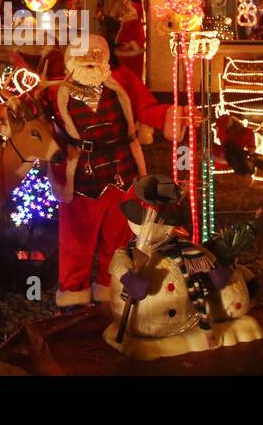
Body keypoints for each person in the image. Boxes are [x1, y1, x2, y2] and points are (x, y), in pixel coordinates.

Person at [40, 35, 176, 308]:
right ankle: (73, 296)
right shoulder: (55, 92)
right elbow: (26, 112)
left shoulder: (121, 83)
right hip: (80, 180)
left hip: (121, 173)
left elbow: (147, 107)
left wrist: (171, 117)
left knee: (117, 240)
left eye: (97, 54)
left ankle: (108, 289)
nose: (91, 60)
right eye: (85, 55)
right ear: (71, 60)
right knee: (76, 242)